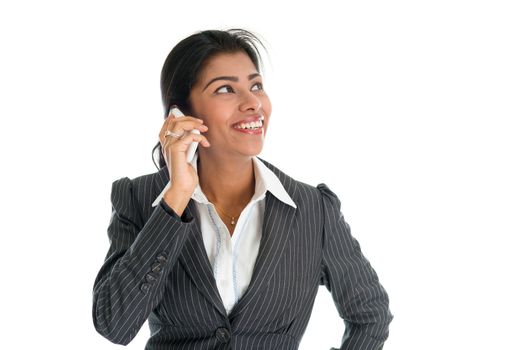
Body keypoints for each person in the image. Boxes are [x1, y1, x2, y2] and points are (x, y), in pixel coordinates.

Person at [92, 29, 393, 350]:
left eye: (256, 86)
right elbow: (115, 325)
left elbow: (370, 317)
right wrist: (177, 195)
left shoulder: (313, 209)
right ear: (181, 114)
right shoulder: (138, 199)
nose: (253, 104)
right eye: (225, 89)